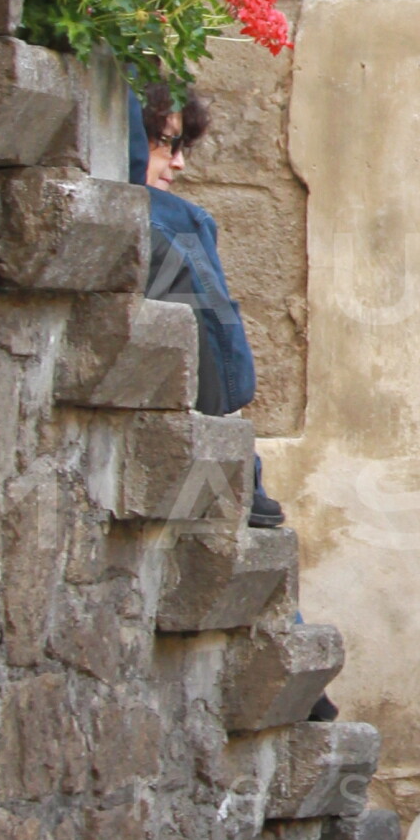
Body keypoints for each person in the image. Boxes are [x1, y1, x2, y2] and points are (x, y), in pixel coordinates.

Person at [133, 87, 272, 523]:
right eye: (165, 142)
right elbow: (230, 385)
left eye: (181, 147)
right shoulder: (175, 222)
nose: (178, 162)